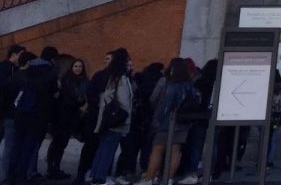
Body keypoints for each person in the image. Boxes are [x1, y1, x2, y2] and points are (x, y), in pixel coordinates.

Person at [135, 58, 200, 185]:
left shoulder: (167, 83)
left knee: (157, 150)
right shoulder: (189, 85)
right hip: (183, 123)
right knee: (176, 151)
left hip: (166, 122)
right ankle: (168, 178)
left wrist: (158, 118)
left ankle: (149, 179)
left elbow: (156, 101)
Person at [7, 50, 58, 185]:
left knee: (17, 146)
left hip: (21, 114)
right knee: (28, 148)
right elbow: (53, 96)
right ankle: (22, 177)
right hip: (37, 116)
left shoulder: (26, 73)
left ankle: (11, 176)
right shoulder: (50, 73)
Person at [90, 49, 134, 185]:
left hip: (107, 118)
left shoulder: (112, 77)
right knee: (108, 149)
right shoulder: (121, 78)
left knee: (103, 147)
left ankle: (95, 175)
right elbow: (124, 101)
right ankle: (100, 178)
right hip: (117, 120)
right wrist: (126, 118)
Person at [46, 58, 88, 181]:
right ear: (71, 67)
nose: (78, 68)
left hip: (72, 117)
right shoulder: (67, 81)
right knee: (58, 143)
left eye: (80, 66)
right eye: (76, 66)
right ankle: (52, 168)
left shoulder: (84, 81)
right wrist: (80, 103)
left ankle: (56, 167)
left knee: (62, 144)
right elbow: (68, 99)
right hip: (62, 116)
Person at [0, 45, 27, 181]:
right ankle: (4, 175)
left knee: (9, 146)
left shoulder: (15, 70)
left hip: (8, 112)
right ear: (14, 54)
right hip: (5, 112)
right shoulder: (4, 68)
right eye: (21, 54)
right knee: (9, 147)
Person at [266, 70, 281, 167]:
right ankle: (269, 160)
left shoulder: (268, 88)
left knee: (266, 138)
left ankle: (264, 159)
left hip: (267, 118)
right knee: (273, 138)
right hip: (277, 118)